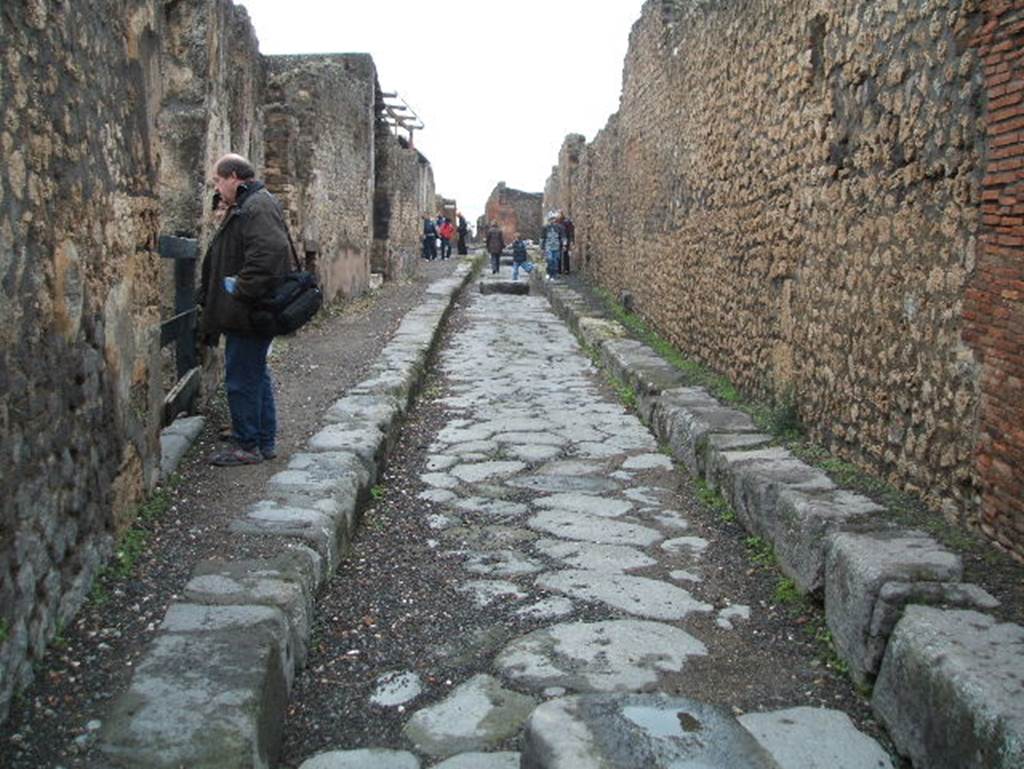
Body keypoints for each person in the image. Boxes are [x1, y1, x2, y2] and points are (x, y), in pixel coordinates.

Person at [199, 153, 291, 466]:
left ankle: (247, 444)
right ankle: (262, 440)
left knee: (241, 378)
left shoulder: (256, 205)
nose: (217, 188)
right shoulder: (250, 204)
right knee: (254, 375)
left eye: (218, 181)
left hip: (249, 311)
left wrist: (240, 290)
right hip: (249, 310)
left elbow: (270, 254)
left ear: (234, 177)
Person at [539, 211, 566, 281]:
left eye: (553, 219)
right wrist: (541, 247)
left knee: (555, 261)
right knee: (549, 260)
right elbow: (542, 238)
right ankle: (549, 273)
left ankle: (554, 274)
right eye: (551, 219)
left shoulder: (560, 227)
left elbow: (563, 237)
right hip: (548, 246)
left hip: (556, 246)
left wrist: (564, 245)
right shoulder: (545, 228)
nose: (552, 221)